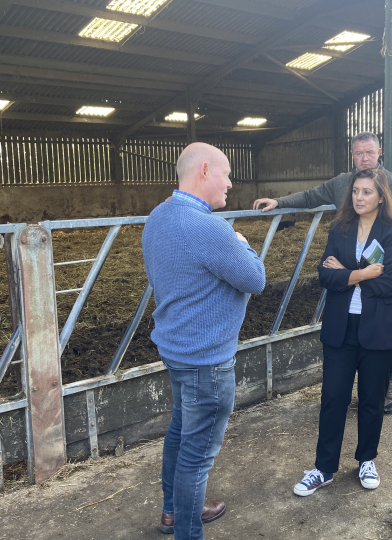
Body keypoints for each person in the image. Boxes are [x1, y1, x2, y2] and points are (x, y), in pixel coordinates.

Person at [253, 132, 392, 413]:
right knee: (354, 331)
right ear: (352, 155)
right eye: (359, 154)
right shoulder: (341, 183)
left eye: (369, 153)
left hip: (385, 271)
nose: (364, 159)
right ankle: (379, 383)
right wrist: (279, 202)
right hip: (348, 272)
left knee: (383, 327)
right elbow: (311, 196)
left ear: (379, 152)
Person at [142, 142, 266, 540]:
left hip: (177, 351)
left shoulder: (158, 217)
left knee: (180, 435)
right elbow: (255, 280)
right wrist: (245, 245)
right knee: (197, 457)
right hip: (207, 361)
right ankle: (187, 532)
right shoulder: (209, 227)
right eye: (227, 174)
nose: (230, 184)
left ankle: (172, 513)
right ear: (205, 170)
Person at [293, 167, 392, 497]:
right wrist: (361, 273)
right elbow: (324, 276)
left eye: (367, 192)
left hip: (380, 330)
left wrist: (345, 274)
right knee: (333, 397)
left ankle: (366, 460)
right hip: (341, 327)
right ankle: (323, 468)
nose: (359, 197)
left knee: (371, 399)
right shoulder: (339, 228)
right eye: (356, 191)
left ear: (381, 196)